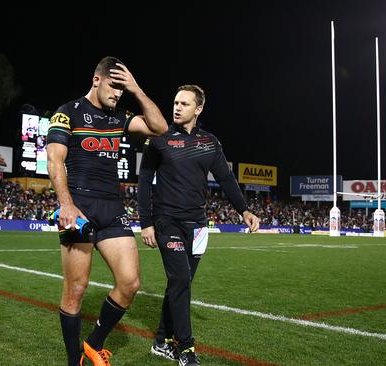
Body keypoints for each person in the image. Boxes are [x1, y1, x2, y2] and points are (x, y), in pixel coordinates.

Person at [47, 56, 167, 366]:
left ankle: (93, 344)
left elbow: (160, 127)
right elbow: (55, 161)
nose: (117, 94)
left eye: (121, 89)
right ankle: (75, 362)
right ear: (96, 79)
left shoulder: (120, 116)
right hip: (79, 209)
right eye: (114, 86)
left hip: (111, 210)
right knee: (76, 289)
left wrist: (137, 89)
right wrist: (66, 204)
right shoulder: (67, 113)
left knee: (130, 282)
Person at [137, 85, 260, 366]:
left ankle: (160, 341)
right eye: (175, 102)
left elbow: (226, 180)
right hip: (167, 221)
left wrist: (244, 210)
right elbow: (144, 181)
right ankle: (187, 349)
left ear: (198, 109)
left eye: (184, 103)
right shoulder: (159, 137)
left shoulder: (210, 142)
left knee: (180, 283)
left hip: (199, 226)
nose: (177, 107)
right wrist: (146, 223)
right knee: (180, 280)